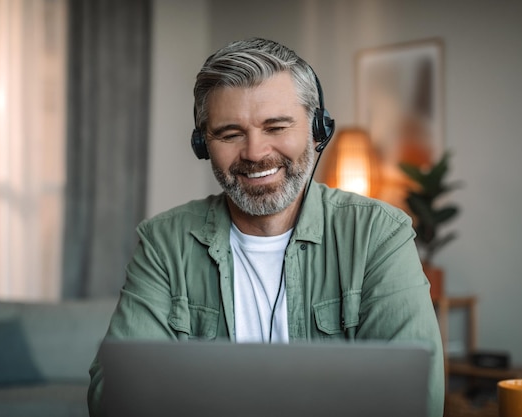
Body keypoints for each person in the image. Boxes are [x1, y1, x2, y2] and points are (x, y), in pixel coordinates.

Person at [88, 37, 444, 417]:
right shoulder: (164, 242)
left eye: (276, 127)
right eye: (230, 134)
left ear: (317, 128)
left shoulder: (379, 234)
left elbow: (417, 402)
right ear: (202, 143)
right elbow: (113, 398)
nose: (255, 153)